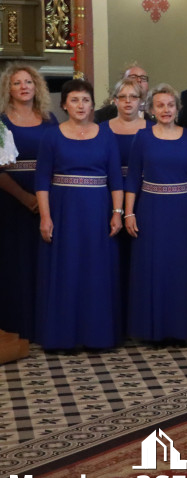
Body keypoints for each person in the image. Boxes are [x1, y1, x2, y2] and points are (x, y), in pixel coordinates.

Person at [35, 79, 124, 350]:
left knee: (96, 271)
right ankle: (63, 337)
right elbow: (42, 180)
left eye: (85, 100)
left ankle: (97, 336)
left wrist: (117, 213)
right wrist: (45, 217)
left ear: (92, 104)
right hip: (64, 212)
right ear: (64, 104)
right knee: (67, 270)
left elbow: (115, 180)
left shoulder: (106, 134)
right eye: (74, 100)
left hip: (98, 212)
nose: (80, 105)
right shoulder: (52, 135)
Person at [124, 85, 187, 343]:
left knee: (180, 268)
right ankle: (153, 329)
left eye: (170, 105)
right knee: (154, 268)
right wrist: (128, 213)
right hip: (151, 210)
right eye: (160, 105)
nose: (166, 110)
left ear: (177, 109)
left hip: (184, 211)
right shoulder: (143, 137)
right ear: (150, 110)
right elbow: (133, 179)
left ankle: (180, 329)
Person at [0, 64, 57, 340]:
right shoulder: (0, 121)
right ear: (7, 89)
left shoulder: (49, 119)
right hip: (11, 200)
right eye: (16, 83)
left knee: (43, 262)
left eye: (28, 82)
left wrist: (44, 199)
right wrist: (24, 198)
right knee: (14, 263)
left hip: (47, 200)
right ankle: (16, 327)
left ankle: (44, 324)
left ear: (37, 86)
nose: (23, 87)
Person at [99, 76, 151, 318]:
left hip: (145, 198)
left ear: (142, 101)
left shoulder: (152, 129)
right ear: (114, 100)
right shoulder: (101, 129)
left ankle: (137, 314)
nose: (128, 101)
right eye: (123, 97)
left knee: (139, 257)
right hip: (107, 197)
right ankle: (113, 314)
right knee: (111, 256)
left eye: (134, 97)